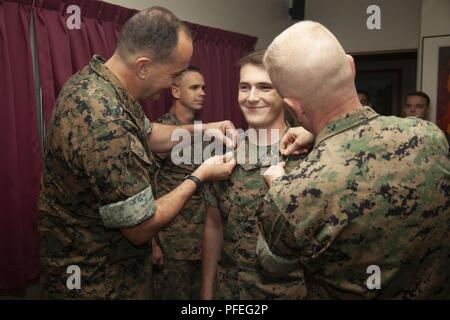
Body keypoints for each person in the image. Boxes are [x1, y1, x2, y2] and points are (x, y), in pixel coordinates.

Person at [38, 7, 237, 299]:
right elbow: (141, 227)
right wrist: (200, 174)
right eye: (174, 74)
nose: (174, 84)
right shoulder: (104, 120)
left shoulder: (99, 84)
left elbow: (148, 133)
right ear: (143, 66)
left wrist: (204, 128)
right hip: (97, 281)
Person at [257, 21, 450, 299]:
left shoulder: (291, 195)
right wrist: (322, 134)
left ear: (292, 107)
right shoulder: (429, 136)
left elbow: (275, 274)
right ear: (351, 67)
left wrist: (279, 188)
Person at [201, 50, 313, 300]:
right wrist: (207, 292)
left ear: (285, 93)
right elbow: (214, 225)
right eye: (244, 87)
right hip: (229, 293)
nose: (252, 97)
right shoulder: (227, 153)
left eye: (264, 87)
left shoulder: (307, 152)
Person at [151, 66, 207, 299]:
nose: (202, 92)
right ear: (175, 91)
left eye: (203, 87)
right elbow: (144, 188)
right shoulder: (160, 134)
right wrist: (151, 243)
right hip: (171, 243)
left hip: (202, 240)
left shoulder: (205, 131)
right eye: (194, 87)